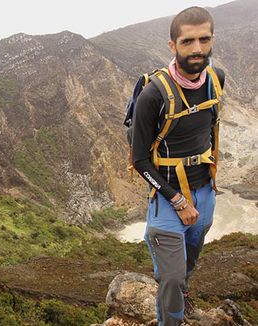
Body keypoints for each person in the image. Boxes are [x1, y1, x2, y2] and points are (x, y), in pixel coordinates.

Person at [131, 6, 225, 326]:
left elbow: (209, 132)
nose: (197, 49)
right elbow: (139, 160)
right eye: (188, 42)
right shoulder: (153, 95)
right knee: (170, 278)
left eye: (204, 39)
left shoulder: (216, 79)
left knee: (189, 263)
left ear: (212, 39)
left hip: (205, 193)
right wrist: (178, 200)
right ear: (173, 46)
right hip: (169, 198)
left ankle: (183, 293)